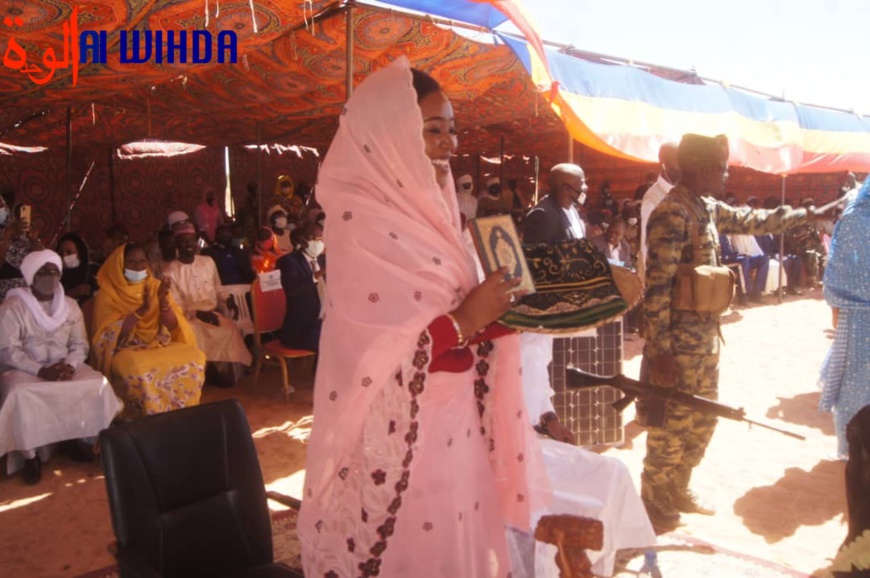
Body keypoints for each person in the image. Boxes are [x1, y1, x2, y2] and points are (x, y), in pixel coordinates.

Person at [299, 59, 546, 577]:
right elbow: (372, 350)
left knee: (460, 539)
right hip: (403, 431)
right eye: (433, 131)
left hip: (456, 418)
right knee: (413, 548)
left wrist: (519, 313)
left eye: (452, 130)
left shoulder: (440, 211)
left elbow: (465, 311)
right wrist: (465, 320)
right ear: (389, 136)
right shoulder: (360, 223)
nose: (449, 143)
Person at [641, 133, 843, 533]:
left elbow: (755, 220)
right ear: (701, 168)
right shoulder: (672, 213)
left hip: (704, 341)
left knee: (703, 420)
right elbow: (657, 288)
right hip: (677, 347)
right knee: (672, 424)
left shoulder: (705, 208)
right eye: (720, 166)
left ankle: (679, 488)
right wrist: (659, 350)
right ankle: (653, 498)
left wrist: (806, 213)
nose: (726, 172)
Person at [0, 250, 122, 484]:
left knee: (97, 384)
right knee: (20, 393)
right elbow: (8, 351)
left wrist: (70, 365)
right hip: (25, 371)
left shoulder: (70, 305)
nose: (49, 277)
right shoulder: (13, 307)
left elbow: (79, 344)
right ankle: (30, 456)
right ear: (30, 276)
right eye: (43, 272)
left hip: (65, 367)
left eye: (54, 272)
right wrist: (40, 370)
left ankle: (77, 440)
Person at [92, 243, 205, 419]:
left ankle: (182, 415)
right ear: (120, 265)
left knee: (195, 355)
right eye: (131, 262)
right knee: (138, 368)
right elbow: (110, 335)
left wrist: (163, 303)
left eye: (142, 261)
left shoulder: (156, 286)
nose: (138, 267)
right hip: (125, 347)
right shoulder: (108, 292)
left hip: (157, 341)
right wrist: (142, 310)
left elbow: (173, 326)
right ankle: (148, 419)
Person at [163, 222, 252, 386]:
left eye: (191, 240)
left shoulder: (207, 261)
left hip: (212, 313)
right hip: (188, 319)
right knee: (193, 333)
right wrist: (199, 314)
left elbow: (217, 287)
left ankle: (218, 370)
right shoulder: (169, 271)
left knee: (229, 330)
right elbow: (175, 305)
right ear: (177, 243)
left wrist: (228, 299)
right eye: (184, 241)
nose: (189, 244)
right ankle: (201, 372)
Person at [819, 179, 870, 460]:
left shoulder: (850, 221)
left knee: (854, 391)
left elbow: (834, 280)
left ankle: (853, 452)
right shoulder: (852, 220)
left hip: (854, 323)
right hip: (856, 322)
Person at [276, 222, 325, 353]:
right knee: (333, 345)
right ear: (303, 241)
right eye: (315, 239)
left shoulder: (323, 260)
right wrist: (318, 274)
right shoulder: (289, 261)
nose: (319, 243)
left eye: (321, 239)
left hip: (325, 323)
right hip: (302, 328)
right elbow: (292, 289)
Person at [639, 142, 680, 281]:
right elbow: (647, 246)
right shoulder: (653, 198)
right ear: (664, 164)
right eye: (678, 162)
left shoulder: (681, 193)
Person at [522, 163, 589, 244]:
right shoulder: (542, 216)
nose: (586, 187)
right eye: (582, 183)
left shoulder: (572, 208)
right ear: (567, 189)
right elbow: (538, 254)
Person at [0, 193, 42, 301]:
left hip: (29, 297)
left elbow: (41, 266)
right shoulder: (5, 233)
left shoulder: (28, 237)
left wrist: (33, 241)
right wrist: (8, 234)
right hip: (6, 298)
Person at [56, 232, 96, 304]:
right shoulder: (55, 276)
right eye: (61, 253)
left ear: (80, 254)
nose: (64, 256)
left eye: (69, 252)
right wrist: (72, 294)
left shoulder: (93, 272)